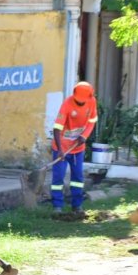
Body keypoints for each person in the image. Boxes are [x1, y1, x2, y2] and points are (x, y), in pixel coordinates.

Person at [50, 81, 98, 215]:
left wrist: (85, 136)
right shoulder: (66, 104)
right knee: (58, 178)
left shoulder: (92, 101)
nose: (80, 103)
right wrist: (60, 149)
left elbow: (92, 121)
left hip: (78, 148)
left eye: (83, 101)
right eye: (78, 101)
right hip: (61, 148)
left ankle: (77, 206)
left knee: (77, 178)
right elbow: (57, 128)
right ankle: (57, 206)